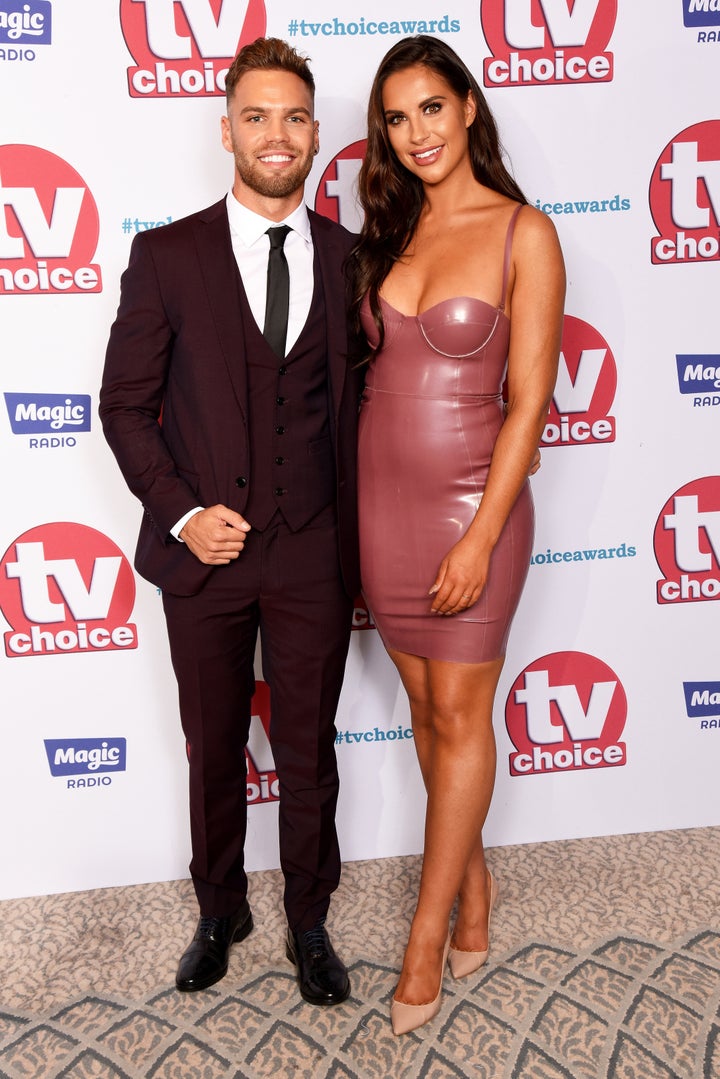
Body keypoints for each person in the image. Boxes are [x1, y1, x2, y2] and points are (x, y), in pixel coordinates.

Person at [100, 37, 364, 1007]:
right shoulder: (165, 254)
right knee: (213, 740)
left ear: (314, 132)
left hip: (315, 551)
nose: (277, 133)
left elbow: (369, 412)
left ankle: (307, 915)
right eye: (256, 115)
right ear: (227, 130)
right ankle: (221, 907)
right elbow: (123, 404)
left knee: (308, 745)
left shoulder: (351, 260)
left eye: (294, 115)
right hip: (202, 555)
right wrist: (182, 512)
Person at [349, 36, 565, 1035]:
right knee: (431, 713)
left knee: (463, 714)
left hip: (478, 507)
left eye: (432, 108)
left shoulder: (524, 232)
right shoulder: (387, 231)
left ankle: (425, 938)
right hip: (381, 511)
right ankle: (475, 895)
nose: (417, 133)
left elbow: (530, 404)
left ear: (469, 108)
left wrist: (480, 536)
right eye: (397, 118)